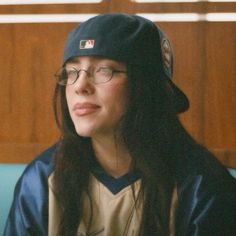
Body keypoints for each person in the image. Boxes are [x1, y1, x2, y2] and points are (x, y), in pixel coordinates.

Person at [4, 13, 236, 236]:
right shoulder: (41, 179)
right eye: (72, 71)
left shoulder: (202, 188)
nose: (80, 86)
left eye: (104, 70)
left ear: (148, 87)